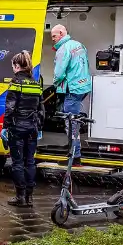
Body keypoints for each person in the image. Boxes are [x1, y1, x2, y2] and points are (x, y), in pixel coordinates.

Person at [2, 51, 44, 207]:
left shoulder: (15, 83)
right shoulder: (36, 84)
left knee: (18, 163)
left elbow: (10, 109)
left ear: (17, 66)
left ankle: (20, 197)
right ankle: (29, 197)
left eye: (13, 66)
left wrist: (5, 127)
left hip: (17, 128)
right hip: (32, 128)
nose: (13, 69)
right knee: (30, 162)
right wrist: (38, 126)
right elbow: (41, 109)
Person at [51, 24, 91, 158]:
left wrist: (54, 84)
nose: (53, 39)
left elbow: (59, 73)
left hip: (72, 89)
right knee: (73, 119)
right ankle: (74, 151)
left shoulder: (63, 49)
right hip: (83, 87)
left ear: (62, 33)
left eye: (54, 36)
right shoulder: (80, 45)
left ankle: (75, 155)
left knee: (71, 122)